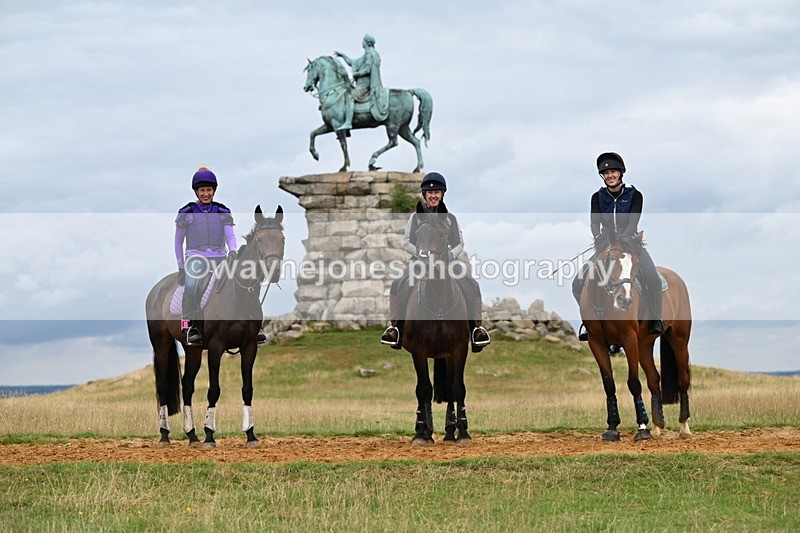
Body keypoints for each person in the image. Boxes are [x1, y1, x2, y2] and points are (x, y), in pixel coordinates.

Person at [380, 172, 491, 352]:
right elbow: (406, 242)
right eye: (430, 193)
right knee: (397, 284)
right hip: (420, 263)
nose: (433, 195)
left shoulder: (450, 218)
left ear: (442, 194)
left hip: (447, 262)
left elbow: (459, 243)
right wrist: (419, 252)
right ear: (424, 195)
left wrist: (450, 255)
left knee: (472, 284)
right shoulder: (415, 218)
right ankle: (396, 329)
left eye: (437, 192)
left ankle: (476, 329)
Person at [572, 152, 664, 344]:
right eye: (605, 173)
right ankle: (590, 323)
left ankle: (655, 318)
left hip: (630, 244)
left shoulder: (634, 195)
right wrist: (598, 237)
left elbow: (633, 222)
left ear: (621, 173)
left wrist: (624, 238)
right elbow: (594, 222)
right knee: (578, 282)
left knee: (653, 279)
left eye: (613, 171)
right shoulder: (597, 197)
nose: (609, 175)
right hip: (606, 245)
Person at [174, 166, 238, 345]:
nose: (206, 194)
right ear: (196, 191)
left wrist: (232, 251)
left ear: (214, 190)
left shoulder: (222, 211)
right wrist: (181, 267)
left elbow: (230, 235)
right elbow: (178, 242)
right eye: (202, 190)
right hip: (196, 258)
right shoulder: (187, 212)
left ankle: (250, 323)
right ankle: (189, 326)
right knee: (192, 285)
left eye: (209, 190)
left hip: (220, 257)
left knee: (241, 281)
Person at [334, 33, 389, 131]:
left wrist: (357, 74)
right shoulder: (367, 54)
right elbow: (353, 62)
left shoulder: (370, 54)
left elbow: (368, 69)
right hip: (362, 85)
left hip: (365, 85)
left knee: (350, 97)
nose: (361, 43)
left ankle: (348, 123)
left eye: (363, 41)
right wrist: (343, 56)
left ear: (367, 43)